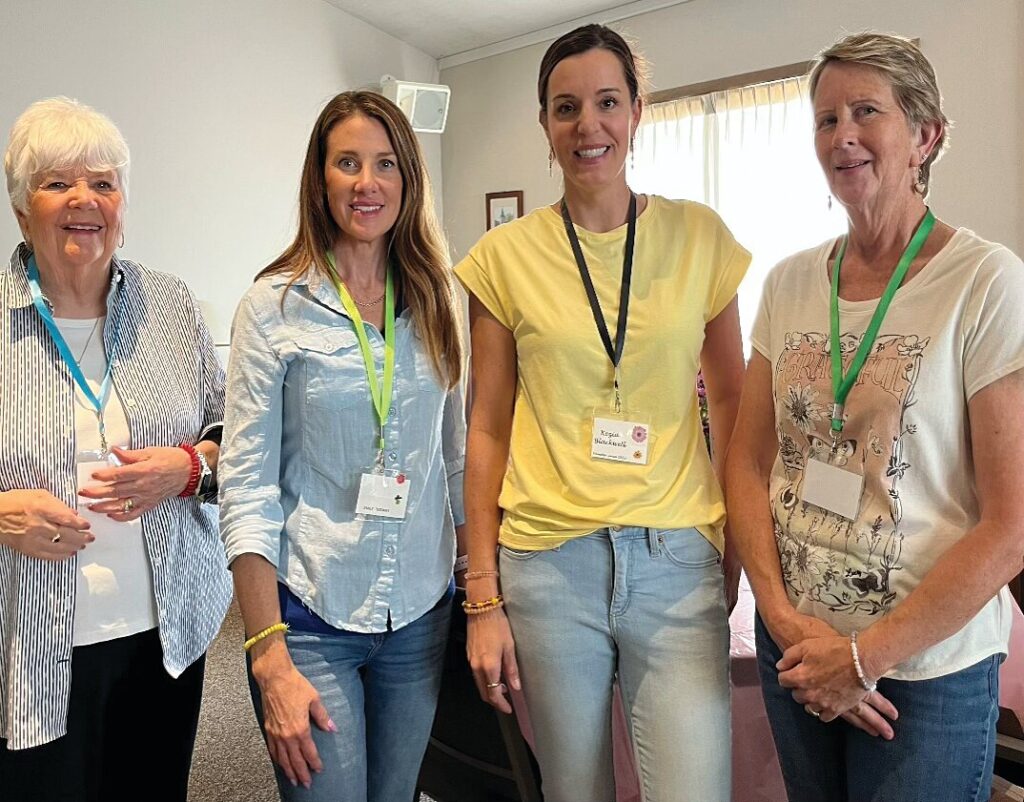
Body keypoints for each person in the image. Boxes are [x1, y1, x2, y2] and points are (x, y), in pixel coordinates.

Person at [726, 32, 1024, 802]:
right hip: (793, 643)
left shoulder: (984, 282)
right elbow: (748, 462)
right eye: (826, 120)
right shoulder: (790, 281)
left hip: (922, 673)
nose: (842, 136)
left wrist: (861, 658)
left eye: (866, 112)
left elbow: (1010, 524)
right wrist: (787, 623)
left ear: (926, 136)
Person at [455, 24, 750, 802]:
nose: (589, 125)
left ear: (638, 111)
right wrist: (480, 595)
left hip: (677, 561)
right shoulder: (503, 258)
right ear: (545, 126)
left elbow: (734, 405)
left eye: (607, 102)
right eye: (566, 107)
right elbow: (485, 427)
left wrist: (738, 547)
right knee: (573, 791)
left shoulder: (700, 238)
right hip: (547, 565)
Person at [218, 90, 466, 801]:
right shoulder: (274, 307)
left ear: (407, 180)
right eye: (347, 163)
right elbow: (246, 488)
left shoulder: (438, 300)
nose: (367, 182)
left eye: (385, 164)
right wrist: (267, 655)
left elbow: (454, 460)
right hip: (312, 614)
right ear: (319, 180)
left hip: (421, 609)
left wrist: (481, 595)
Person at [0, 97, 230, 802]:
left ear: (123, 205)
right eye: (57, 182)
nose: (84, 200)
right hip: (31, 642)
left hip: (168, 632)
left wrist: (190, 468)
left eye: (103, 183)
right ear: (20, 208)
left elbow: (236, 431)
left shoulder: (173, 306)